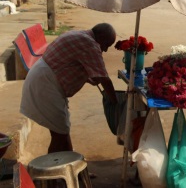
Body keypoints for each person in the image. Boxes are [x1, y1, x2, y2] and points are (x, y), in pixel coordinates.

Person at [20, 23, 118, 153]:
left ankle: (70, 167)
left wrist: (87, 79)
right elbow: (104, 79)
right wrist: (115, 103)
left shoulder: (80, 35)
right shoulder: (89, 44)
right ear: (100, 36)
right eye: (106, 45)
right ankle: (53, 170)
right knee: (60, 135)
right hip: (45, 84)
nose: (105, 50)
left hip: (44, 79)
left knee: (62, 131)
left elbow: (67, 64)